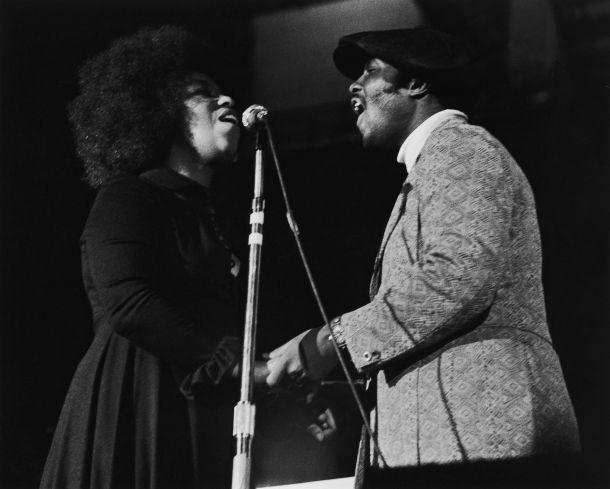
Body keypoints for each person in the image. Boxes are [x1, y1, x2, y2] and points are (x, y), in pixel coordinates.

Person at [265, 27, 581, 475]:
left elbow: (457, 274)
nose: (354, 86)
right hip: (448, 439)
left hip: (482, 432)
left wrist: (329, 342)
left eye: (370, 71)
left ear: (416, 82)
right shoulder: (432, 165)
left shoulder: (461, 147)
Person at [40, 26, 267, 489]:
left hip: (193, 410)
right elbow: (128, 302)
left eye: (223, 92)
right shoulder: (128, 196)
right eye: (202, 93)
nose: (225, 100)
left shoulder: (214, 218)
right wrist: (235, 365)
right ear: (159, 113)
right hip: (135, 402)